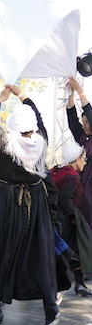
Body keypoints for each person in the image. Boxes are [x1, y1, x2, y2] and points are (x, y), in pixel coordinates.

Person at [0, 85, 60, 325]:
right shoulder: (41, 140)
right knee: (39, 253)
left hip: (4, 202)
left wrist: (1, 98)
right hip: (35, 204)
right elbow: (38, 116)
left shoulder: (3, 141)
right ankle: (50, 307)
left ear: (13, 125)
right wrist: (23, 96)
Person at [50, 141, 92, 298]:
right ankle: (55, 291)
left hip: (54, 219)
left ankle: (79, 284)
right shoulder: (72, 177)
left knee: (76, 252)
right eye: (83, 159)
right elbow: (65, 199)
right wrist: (73, 217)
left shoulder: (58, 171)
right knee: (70, 253)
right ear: (76, 159)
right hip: (63, 222)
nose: (85, 162)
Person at [66, 77, 92, 229]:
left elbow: (90, 113)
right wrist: (70, 94)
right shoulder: (82, 137)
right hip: (80, 188)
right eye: (83, 123)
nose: (84, 126)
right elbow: (71, 119)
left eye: (87, 122)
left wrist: (81, 92)